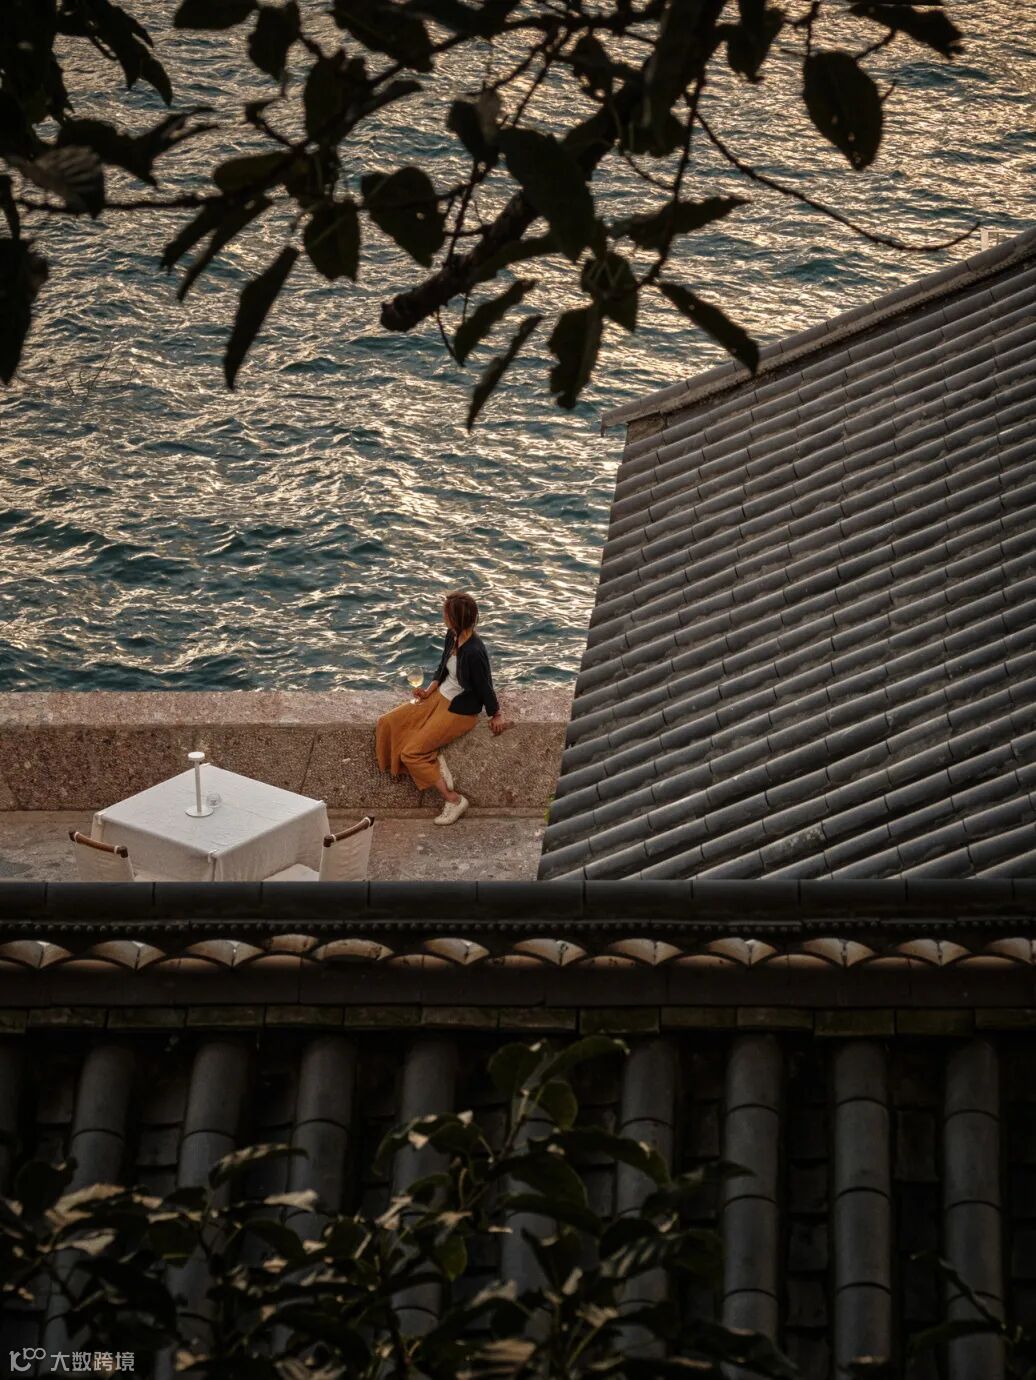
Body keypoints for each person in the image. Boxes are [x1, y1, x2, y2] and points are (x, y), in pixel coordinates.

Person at [375, 590, 508, 825]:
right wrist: (429, 690)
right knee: (387, 722)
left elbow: (485, 685)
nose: (443, 616)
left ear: (456, 617)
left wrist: (495, 713)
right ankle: (433, 760)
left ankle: (453, 799)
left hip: (460, 709)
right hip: (438, 695)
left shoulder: (475, 651)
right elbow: (442, 667)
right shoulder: (452, 634)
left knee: (411, 753)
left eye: (446, 613)